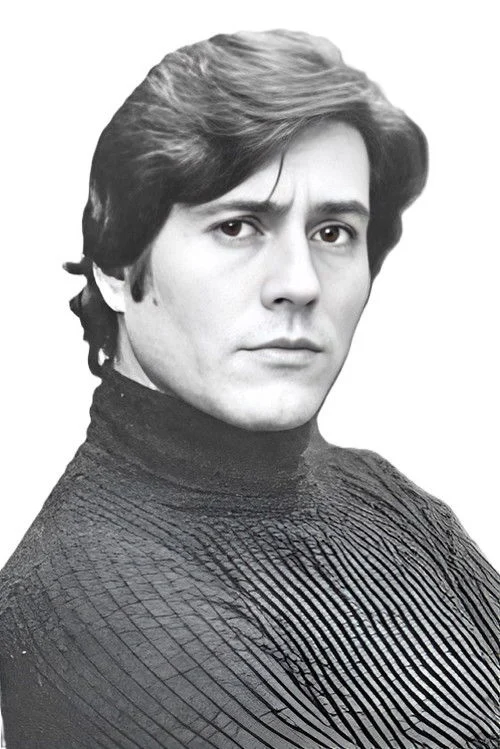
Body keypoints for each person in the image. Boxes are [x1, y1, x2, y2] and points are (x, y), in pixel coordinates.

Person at [0, 28, 498, 749]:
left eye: (333, 232)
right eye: (237, 226)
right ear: (116, 267)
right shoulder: (86, 596)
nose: (299, 283)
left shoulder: (380, 493)